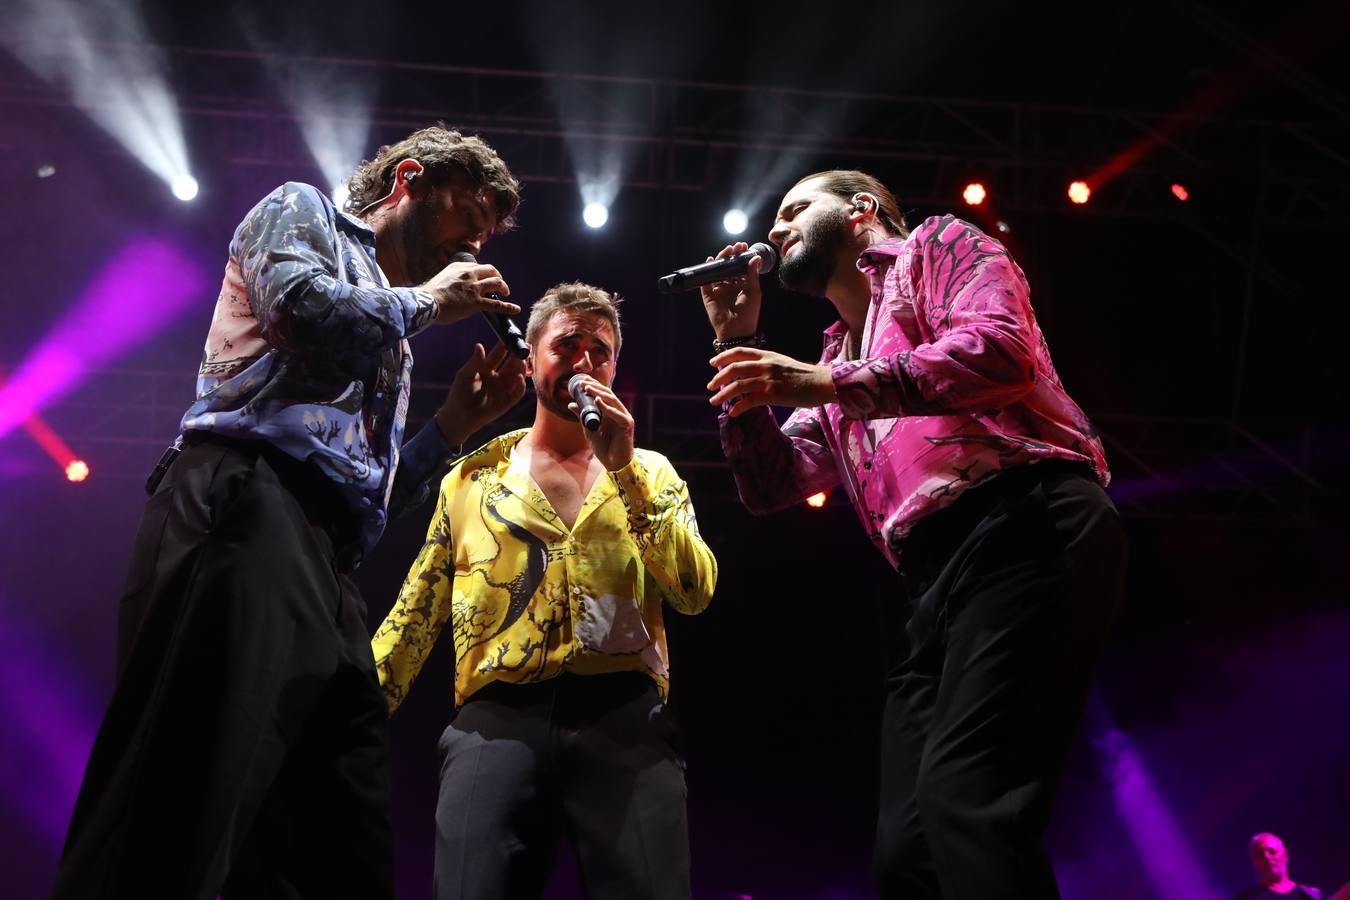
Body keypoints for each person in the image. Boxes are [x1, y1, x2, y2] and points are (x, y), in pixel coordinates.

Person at [52, 125, 526, 900]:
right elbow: (302, 314)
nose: (474, 242)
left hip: (325, 559)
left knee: (338, 814)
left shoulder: (395, 330)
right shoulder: (302, 211)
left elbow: (371, 495)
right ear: (408, 179)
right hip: (241, 504)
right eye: (467, 213)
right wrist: (428, 302)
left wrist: (453, 429)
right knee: (189, 782)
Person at [699, 170, 1127, 899]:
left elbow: (999, 352)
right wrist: (739, 342)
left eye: (795, 209)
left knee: (969, 804)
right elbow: (771, 486)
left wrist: (824, 386)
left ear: (861, 210)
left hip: (1027, 522)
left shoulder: (939, 247)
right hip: (934, 578)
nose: (774, 231)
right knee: (909, 853)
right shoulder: (836, 359)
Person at [372, 282, 718, 900]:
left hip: (627, 720)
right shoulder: (472, 478)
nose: (584, 362)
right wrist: (349, 711)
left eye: (600, 350)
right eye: (567, 345)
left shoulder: (653, 471)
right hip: (495, 723)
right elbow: (415, 612)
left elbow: (694, 591)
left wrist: (626, 471)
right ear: (531, 361)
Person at [1234, 832, 1323, 899]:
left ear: (1286, 855)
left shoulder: (1313, 896)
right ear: (1253, 861)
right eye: (1260, 853)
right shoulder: (1245, 898)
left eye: (1272, 851)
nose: (1267, 857)